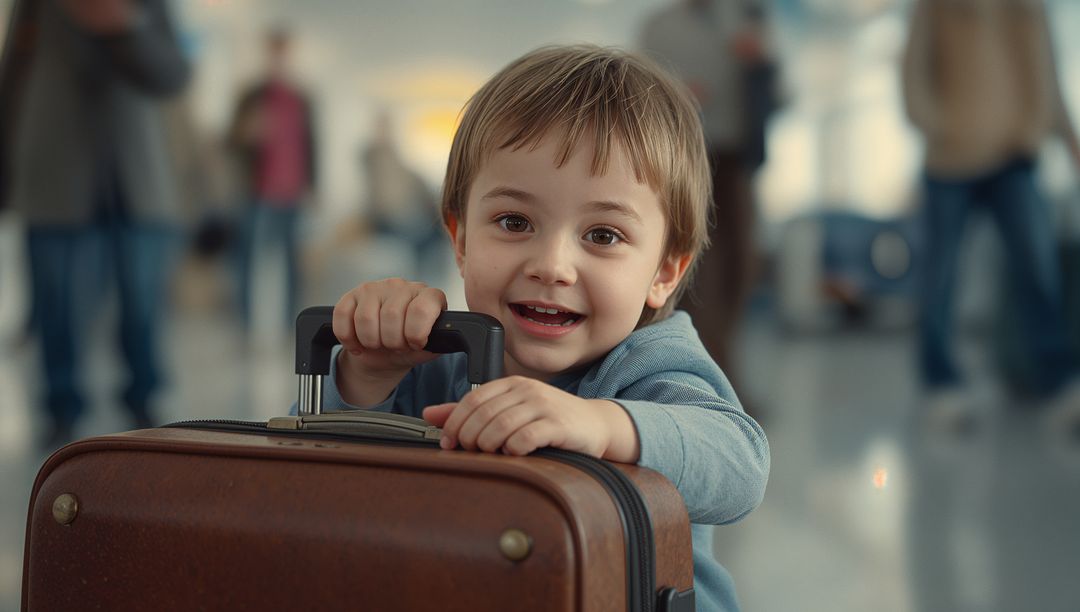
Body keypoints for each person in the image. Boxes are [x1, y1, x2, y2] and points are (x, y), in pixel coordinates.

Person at [316, 45, 770, 611]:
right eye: (514, 222)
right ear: (460, 240)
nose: (551, 265)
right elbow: (331, 481)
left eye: (603, 235)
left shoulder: (651, 364)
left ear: (664, 271)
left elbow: (739, 464)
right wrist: (368, 373)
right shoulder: (440, 361)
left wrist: (601, 425)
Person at [0, 0, 192, 448]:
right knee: (55, 306)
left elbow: (173, 76)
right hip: (51, 171)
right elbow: (13, 78)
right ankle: (60, 409)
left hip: (136, 175)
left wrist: (123, 26)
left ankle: (144, 401)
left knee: (142, 305)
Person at [901, 0, 1080, 423]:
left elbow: (1049, 79)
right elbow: (913, 77)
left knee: (1038, 271)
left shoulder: (1030, 9)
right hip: (950, 161)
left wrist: (1068, 140)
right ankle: (940, 384)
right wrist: (940, 126)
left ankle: (1056, 383)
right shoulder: (935, 8)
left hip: (1016, 157)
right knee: (940, 277)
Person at [639, 0, 778, 405]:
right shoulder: (659, 27)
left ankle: (722, 374)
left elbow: (782, 95)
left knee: (742, 266)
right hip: (686, 160)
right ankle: (708, 384)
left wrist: (761, 62)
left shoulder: (749, 19)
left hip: (737, 163)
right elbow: (633, 94)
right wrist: (676, 95)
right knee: (697, 274)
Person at [227, 27, 317, 334]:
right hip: (257, 192)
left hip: (292, 192)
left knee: (292, 265)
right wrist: (247, 133)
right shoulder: (251, 96)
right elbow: (231, 141)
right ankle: (246, 325)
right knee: (247, 262)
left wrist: (312, 186)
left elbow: (312, 145)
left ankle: (291, 326)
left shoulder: (302, 98)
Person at [360, 110, 447, 287]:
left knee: (434, 233)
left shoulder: (395, 156)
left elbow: (411, 178)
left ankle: (424, 279)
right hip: (388, 219)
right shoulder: (372, 156)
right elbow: (380, 198)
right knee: (423, 237)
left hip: (406, 214)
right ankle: (419, 281)